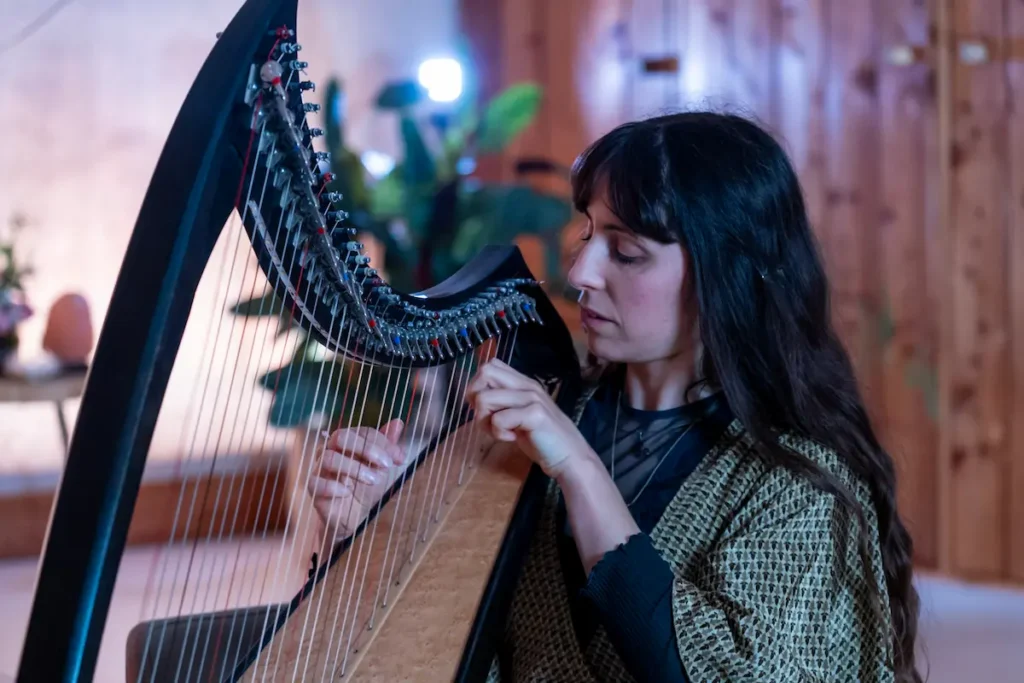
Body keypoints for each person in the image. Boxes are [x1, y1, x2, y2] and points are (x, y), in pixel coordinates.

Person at [312, 111, 922, 683]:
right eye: (589, 233)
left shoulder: (799, 482)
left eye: (626, 252)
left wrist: (579, 469)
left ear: (727, 275)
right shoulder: (535, 425)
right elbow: (460, 655)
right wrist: (368, 534)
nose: (581, 272)